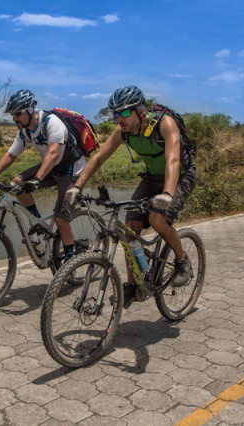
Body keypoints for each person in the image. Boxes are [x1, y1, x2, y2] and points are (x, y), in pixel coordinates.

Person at [65, 85, 196, 307]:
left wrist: (167, 193)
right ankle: (133, 286)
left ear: (140, 110)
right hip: (152, 177)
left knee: (157, 219)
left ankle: (182, 261)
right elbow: (98, 159)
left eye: (125, 112)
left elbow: (173, 161)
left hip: (179, 176)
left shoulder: (164, 124)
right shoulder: (123, 131)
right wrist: (77, 186)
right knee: (129, 228)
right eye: (115, 114)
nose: (119, 118)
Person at [0, 89, 86, 261]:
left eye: (17, 114)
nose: (14, 118)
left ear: (30, 110)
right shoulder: (25, 131)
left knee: (61, 220)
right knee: (17, 184)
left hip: (71, 170)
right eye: (12, 115)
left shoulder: (52, 122)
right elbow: (10, 155)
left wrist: (37, 180)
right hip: (52, 167)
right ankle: (37, 225)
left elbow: (53, 153)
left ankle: (70, 263)